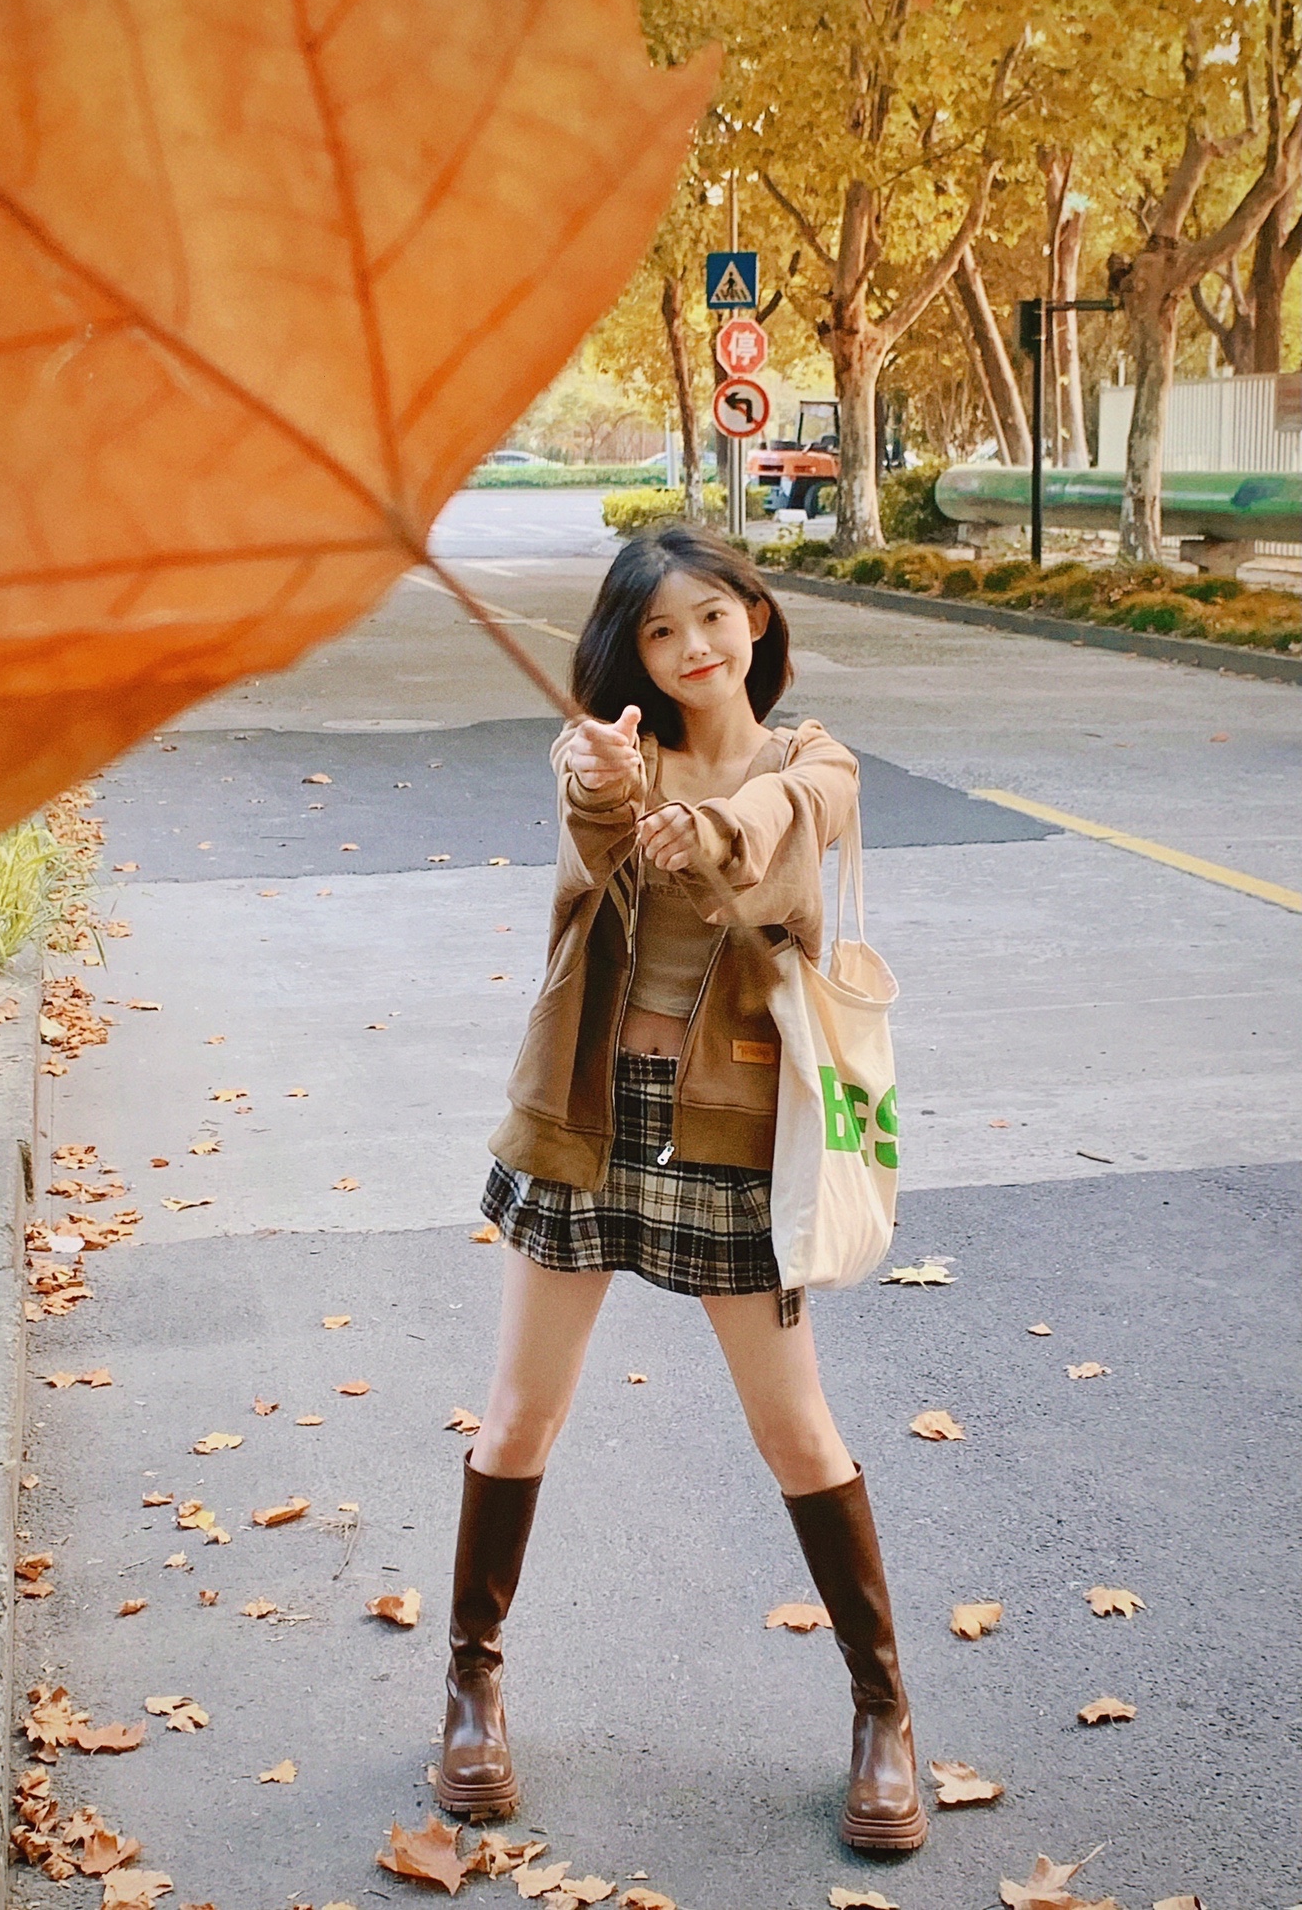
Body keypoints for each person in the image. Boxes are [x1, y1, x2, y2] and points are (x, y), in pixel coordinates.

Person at [435, 526, 926, 1854]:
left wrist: (706, 820)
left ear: (755, 616)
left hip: (736, 1131)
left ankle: (884, 1711)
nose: (693, 646)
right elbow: (590, 830)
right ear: (632, 653)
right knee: (522, 1413)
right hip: (586, 1115)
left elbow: (787, 821)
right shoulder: (614, 757)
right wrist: (603, 781)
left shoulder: (813, 763)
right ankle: (471, 1685)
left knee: (798, 1431)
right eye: (660, 631)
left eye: (712, 615)